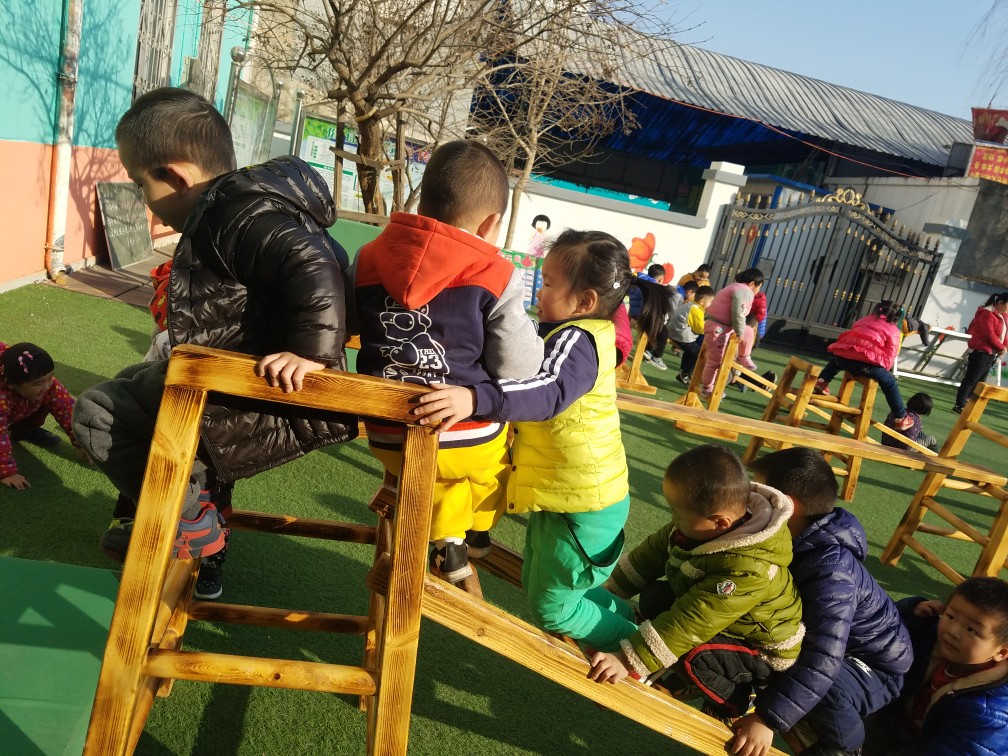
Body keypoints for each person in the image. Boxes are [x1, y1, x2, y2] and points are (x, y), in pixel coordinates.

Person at [72, 88, 357, 602]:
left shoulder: (235, 215)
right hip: (237, 381)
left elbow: (310, 263)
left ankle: (185, 517)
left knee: (95, 412)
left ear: (177, 176)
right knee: (130, 384)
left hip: (253, 393)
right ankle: (188, 502)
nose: (141, 198)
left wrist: (311, 354)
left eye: (141, 183)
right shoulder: (244, 208)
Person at [412, 229, 670, 651]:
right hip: (563, 496)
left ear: (585, 301)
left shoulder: (579, 339)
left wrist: (475, 399)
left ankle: (644, 655)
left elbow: (547, 392)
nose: (539, 291)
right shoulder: (569, 331)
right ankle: (633, 622)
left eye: (548, 283)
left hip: (585, 504)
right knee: (547, 585)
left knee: (554, 609)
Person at [354, 139, 544, 586]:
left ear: (423, 202)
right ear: (491, 224)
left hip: (385, 433)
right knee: (501, 456)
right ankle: (463, 535)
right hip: (463, 437)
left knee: (442, 466)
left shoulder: (368, 256)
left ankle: (448, 535)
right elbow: (518, 368)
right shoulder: (496, 273)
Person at [588, 444, 805, 723]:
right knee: (655, 596)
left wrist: (628, 659)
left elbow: (692, 622)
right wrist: (600, 590)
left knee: (694, 654)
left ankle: (740, 702)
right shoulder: (699, 524)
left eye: (678, 516)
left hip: (760, 654)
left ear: (719, 522)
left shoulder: (748, 568)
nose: (673, 521)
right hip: (726, 626)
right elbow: (649, 557)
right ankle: (676, 667)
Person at [730, 447, 913, 756]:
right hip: (831, 646)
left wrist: (766, 719)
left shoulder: (831, 570)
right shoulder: (786, 539)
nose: (750, 502)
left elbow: (824, 655)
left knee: (829, 687)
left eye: (759, 493)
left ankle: (848, 746)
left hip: (872, 665)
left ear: (788, 505)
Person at [865, 577, 1008, 755]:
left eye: (971, 630)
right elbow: (881, 627)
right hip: (895, 723)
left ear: (1001, 652)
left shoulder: (988, 713)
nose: (953, 631)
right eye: (951, 616)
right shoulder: (932, 639)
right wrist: (911, 613)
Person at [813, 300, 915, 432]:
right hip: (865, 365)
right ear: (897, 318)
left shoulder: (863, 320)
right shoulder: (893, 330)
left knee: (836, 360)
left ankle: (822, 381)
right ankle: (901, 417)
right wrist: (883, 369)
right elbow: (891, 353)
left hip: (844, 357)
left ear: (877, 309)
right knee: (889, 382)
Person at [1, 342, 86, 490]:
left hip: (19, 402)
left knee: (49, 398)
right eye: (38, 383)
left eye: (50, 378)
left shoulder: (46, 384)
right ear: (12, 384)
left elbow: (66, 409)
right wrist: (6, 473)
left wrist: (82, 442)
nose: (47, 386)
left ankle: (24, 430)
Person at [700, 268, 764, 397]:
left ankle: (744, 356)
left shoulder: (734, 287)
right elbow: (738, 313)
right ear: (752, 283)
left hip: (722, 325)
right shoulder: (745, 290)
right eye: (759, 287)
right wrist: (739, 332)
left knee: (749, 332)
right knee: (715, 361)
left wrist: (741, 331)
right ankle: (707, 387)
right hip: (718, 328)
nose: (758, 291)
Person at [953, 292, 1008, 415]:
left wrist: (1004, 348)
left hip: (991, 354)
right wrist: (1001, 347)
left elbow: (1004, 335)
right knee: (971, 379)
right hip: (980, 352)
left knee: (980, 382)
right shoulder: (987, 313)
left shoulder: (1003, 316)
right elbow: (989, 334)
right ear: (1000, 303)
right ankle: (960, 404)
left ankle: (968, 404)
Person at [668, 283, 711, 385]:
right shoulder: (696, 310)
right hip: (681, 335)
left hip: (673, 331)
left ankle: (684, 373)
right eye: (710, 302)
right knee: (699, 354)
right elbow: (700, 329)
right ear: (702, 301)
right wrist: (711, 328)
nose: (711, 304)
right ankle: (686, 373)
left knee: (691, 350)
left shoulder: (690, 304)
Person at [630, 263, 669, 370]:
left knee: (656, 327)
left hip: (633, 313)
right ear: (661, 278)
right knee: (664, 333)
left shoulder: (638, 278)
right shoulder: (654, 285)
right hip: (644, 316)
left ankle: (648, 351)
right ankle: (656, 356)